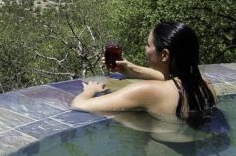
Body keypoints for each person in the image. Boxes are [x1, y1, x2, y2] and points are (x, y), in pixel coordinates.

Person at [70, 22, 219, 129]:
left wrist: (90, 90)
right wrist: (131, 69)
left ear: (164, 55)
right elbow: (174, 80)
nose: (145, 49)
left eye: (148, 45)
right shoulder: (206, 86)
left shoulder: (148, 90)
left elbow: (79, 105)